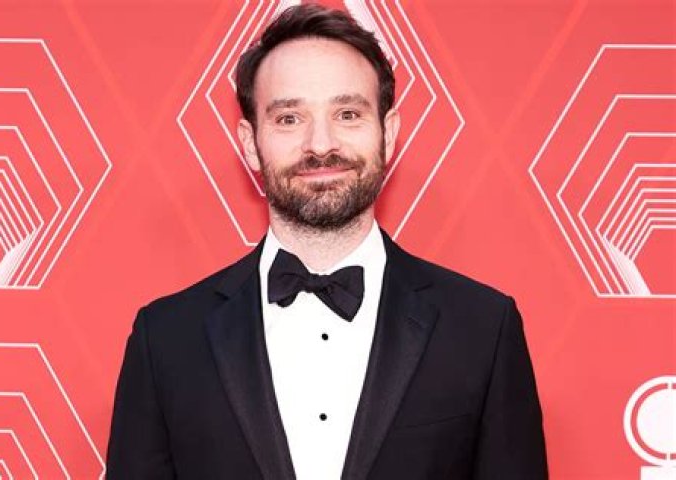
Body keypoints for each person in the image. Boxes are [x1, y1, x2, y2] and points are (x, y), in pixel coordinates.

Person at [106, 4, 548, 479]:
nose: (320, 145)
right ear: (251, 143)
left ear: (388, 133)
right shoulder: (166, 339)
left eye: (348, 114)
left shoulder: (483, 328)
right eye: (289, 118)